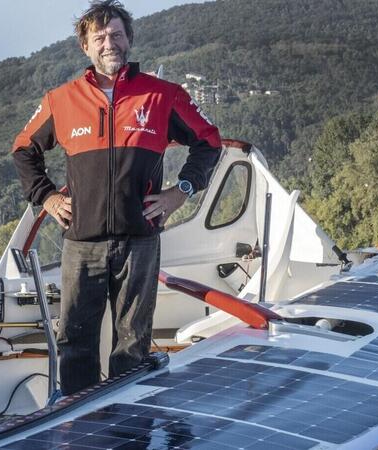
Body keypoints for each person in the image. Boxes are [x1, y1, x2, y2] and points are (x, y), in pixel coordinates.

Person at [11, 0, 221, 395]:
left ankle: (128, 431)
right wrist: (48, 198)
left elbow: (210, 142)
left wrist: (182, 191)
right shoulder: (62, 100)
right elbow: (23, 149)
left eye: (117, 34)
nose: (109, 42)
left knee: (132, 344)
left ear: (129, 39)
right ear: (85, 47)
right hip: (81, 244)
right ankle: (79, 428)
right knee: (75, 344)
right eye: (100, 36)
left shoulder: (163, 96)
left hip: (139, 240)